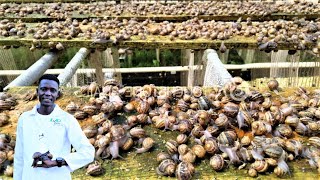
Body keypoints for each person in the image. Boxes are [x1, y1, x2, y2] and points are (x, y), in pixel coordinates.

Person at [14, 74, 95, 180]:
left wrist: (56, 162)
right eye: (43, 89)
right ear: (37, 91)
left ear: (57, 93)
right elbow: (19, 157)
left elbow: (88, 152)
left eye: (52, 90)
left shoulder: (67, 120)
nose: (47, 93)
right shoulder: (25, 119)